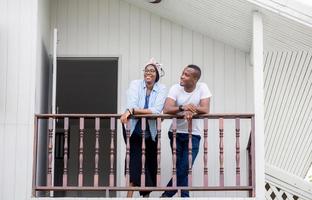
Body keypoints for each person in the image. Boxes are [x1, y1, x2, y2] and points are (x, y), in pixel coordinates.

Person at [161, 64, 212, 197]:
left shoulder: (202, 87)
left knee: (184, 168)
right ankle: (184, 197)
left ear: (195, 79)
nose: (182, 76)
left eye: (186, 75)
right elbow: (167, 109)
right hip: (175, 134)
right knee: (182, 169)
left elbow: (205, 109)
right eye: (183, 73)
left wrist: (191, 109)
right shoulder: (175, 88)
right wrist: (183, 107)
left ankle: (166, 195)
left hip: (193, 134)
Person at [120, 58, 167, 197]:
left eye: (152, 71)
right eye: (146, 70)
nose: (149, 73)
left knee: (150, 162)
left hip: (151, 131)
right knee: (134, 161)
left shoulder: (162, 88)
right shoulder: (135, 84)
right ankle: (128, 197)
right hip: (133, 128)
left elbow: (157, 110)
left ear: (157, 75)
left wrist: (133, 111)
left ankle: (145, 195)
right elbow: (132, 102)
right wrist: (135, 110)